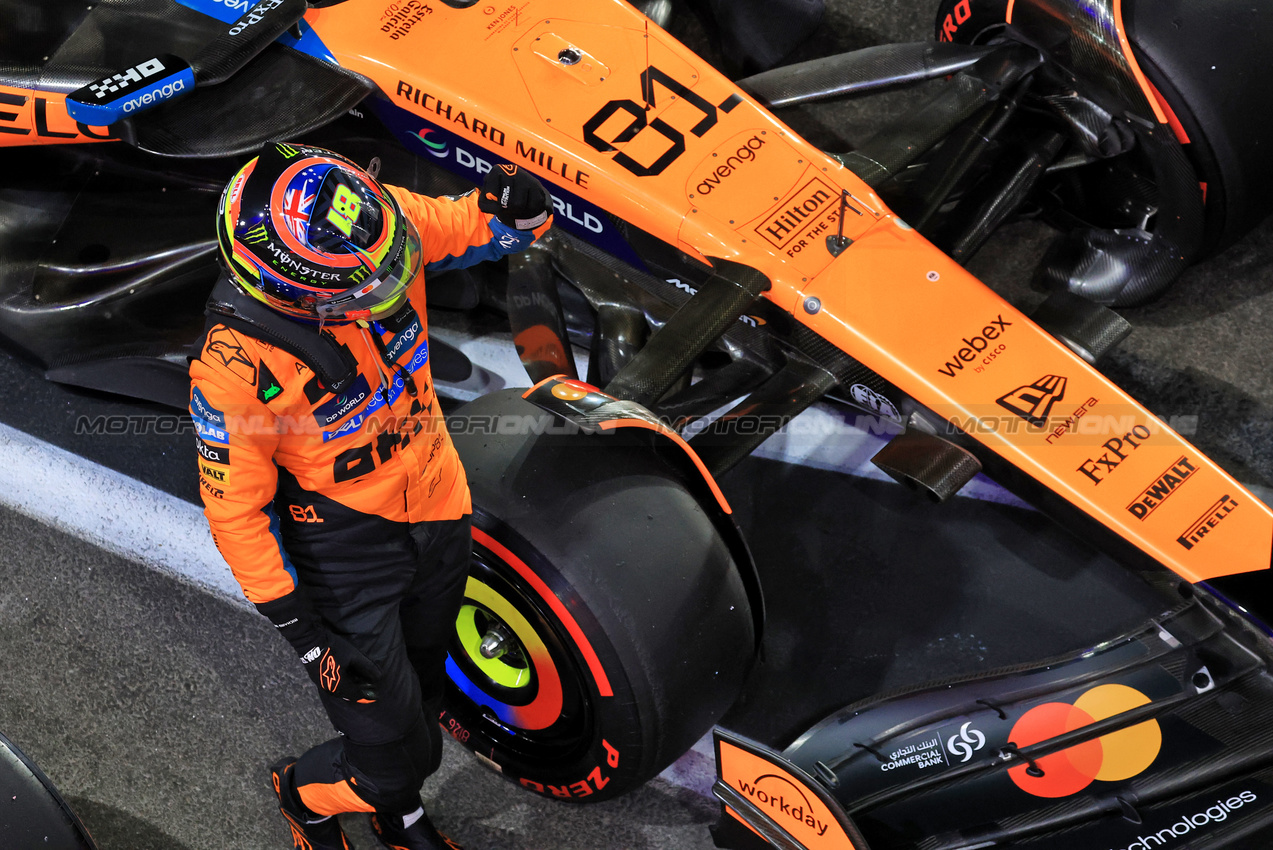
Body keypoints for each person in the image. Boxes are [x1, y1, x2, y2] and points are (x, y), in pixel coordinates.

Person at [189, 142, 553, 850]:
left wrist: (522, 209)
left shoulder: (379, 230)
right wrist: (300, 633)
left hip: (439, 504)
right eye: (361, 287)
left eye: (391, 265)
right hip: (344, 553)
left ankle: (399, 817)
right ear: (283, 286)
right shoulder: (232, 369)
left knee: (425, 699)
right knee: (394, 749)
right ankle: (302, 793)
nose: (390, 285)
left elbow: (487, 227)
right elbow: (235, 512)